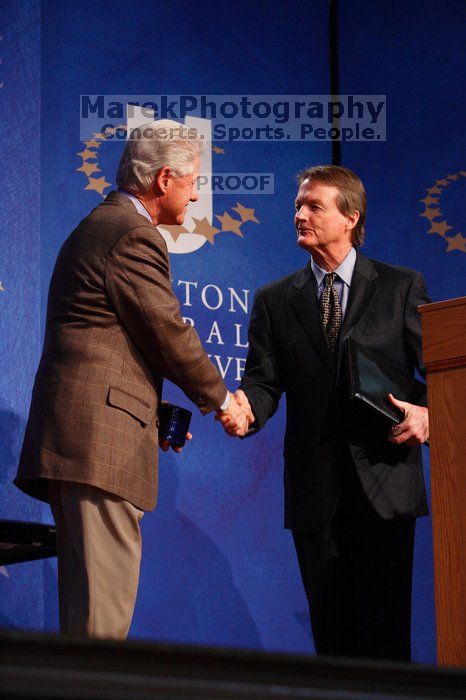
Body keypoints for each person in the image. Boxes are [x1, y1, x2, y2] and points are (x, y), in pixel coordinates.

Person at [15, 120, 251, 640]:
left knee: (85, 629)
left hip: (83, 442)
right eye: (192, 184)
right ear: (165, 179)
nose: (194, 197)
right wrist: (222, 401)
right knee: (102, 634)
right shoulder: (132, 233)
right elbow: (167, 331)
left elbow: (107, 342)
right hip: (99, 451)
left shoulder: (102, 225)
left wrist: (154, 412)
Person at [219, 165, 429, 661]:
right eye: (298, 205)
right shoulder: (274, 301)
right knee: (332, 642)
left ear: (350, 217)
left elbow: (442, 375)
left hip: (386, 484)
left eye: (314, 206)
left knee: (385, 639)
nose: (300, 214)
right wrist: (247, 409)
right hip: (316, 492)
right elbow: (264, 382)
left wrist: (428, 415)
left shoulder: (401, 288)